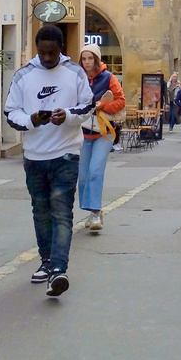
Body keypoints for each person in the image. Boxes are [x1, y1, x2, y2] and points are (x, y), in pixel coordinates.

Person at [5, 25, 93, 297]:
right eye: (41, 52)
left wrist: (65, 115)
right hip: (34, 156)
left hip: (66, 154)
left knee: (61, 212)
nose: (46, 57)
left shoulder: (75, 73)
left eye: (51, 52)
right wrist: (31, 120)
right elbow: (11, 112)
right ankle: (46, 261)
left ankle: (58, 269)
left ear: (61, 48)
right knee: (40, 212)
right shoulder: (24, 76)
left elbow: (88, 107)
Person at [77, 46, 126, 231]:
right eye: (84, 59)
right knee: (82, 177)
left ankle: (95, 212)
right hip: (83, 132)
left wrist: (102, 105)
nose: (87, 62)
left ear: (96, 59)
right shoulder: (78, 78)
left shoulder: (108, 78)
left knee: (96, 171)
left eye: (90, 58)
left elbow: (120, 101)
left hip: (104, 132)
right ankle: (90, 209)